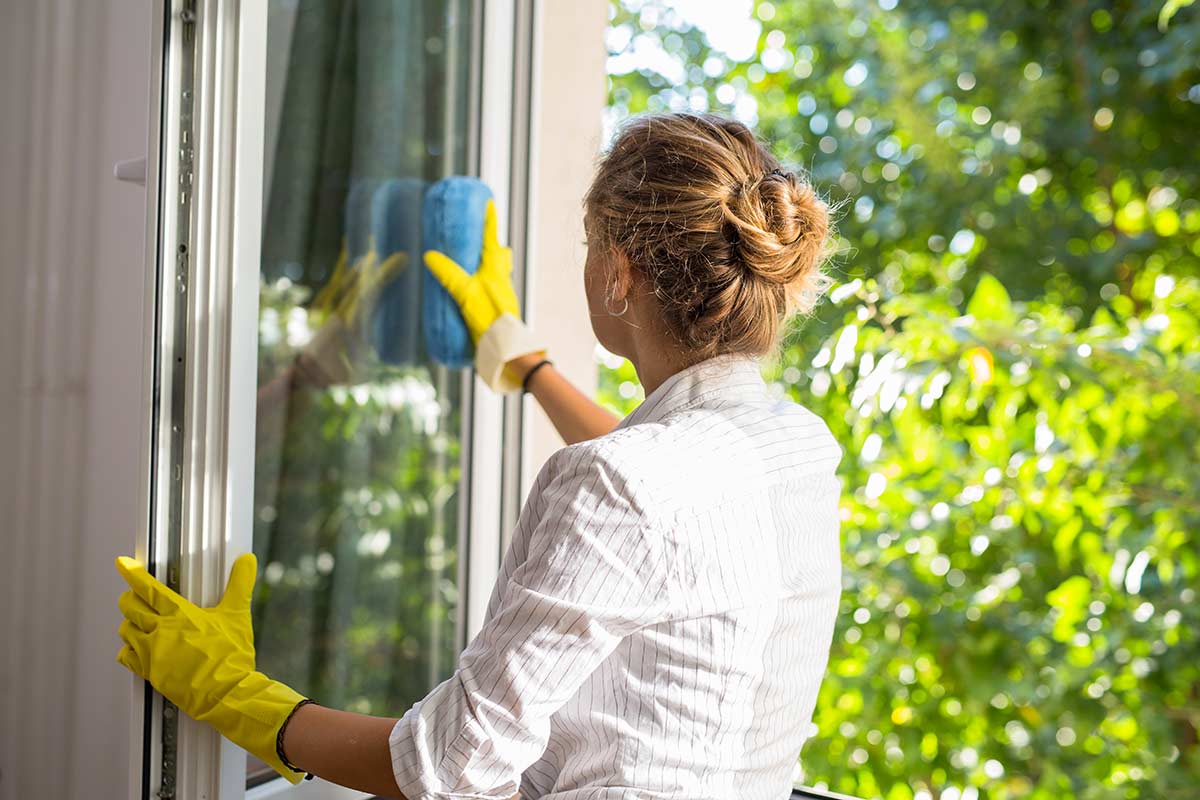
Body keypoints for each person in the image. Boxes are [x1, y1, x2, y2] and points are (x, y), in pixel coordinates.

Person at [115, 111, 844, 800]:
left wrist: (234, 694)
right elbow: (665, 508)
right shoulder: (798, 447)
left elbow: (449, 766)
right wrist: (524, 362)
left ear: (617, 272)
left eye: (590, 244)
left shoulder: (623, 484)